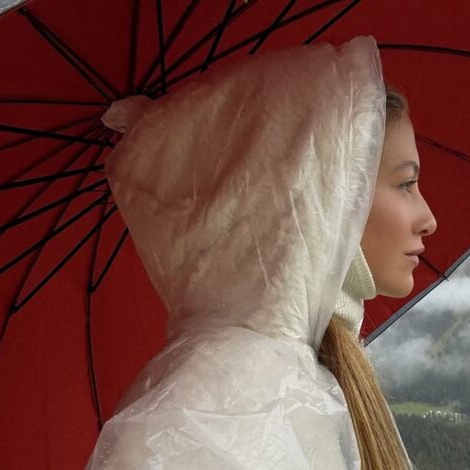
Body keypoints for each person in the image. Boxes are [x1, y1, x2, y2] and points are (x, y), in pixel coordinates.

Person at [86, 35, 436, 469]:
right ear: (319, 193)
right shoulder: (229, 406)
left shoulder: (274, 381)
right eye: (406, 183)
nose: (428, 218)